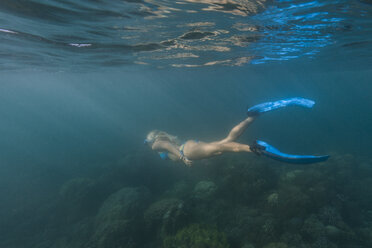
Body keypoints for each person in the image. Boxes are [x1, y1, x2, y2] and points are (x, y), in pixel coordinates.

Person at [144, 97, 329, 166]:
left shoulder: (155, 145)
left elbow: (166, 145)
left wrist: (183, 158)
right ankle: (252, 116)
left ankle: (256, 148)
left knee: (228, 147)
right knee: (227, 141)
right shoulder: (164, 141)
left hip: (188, 151)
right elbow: (169, 144)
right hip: (190, 146)